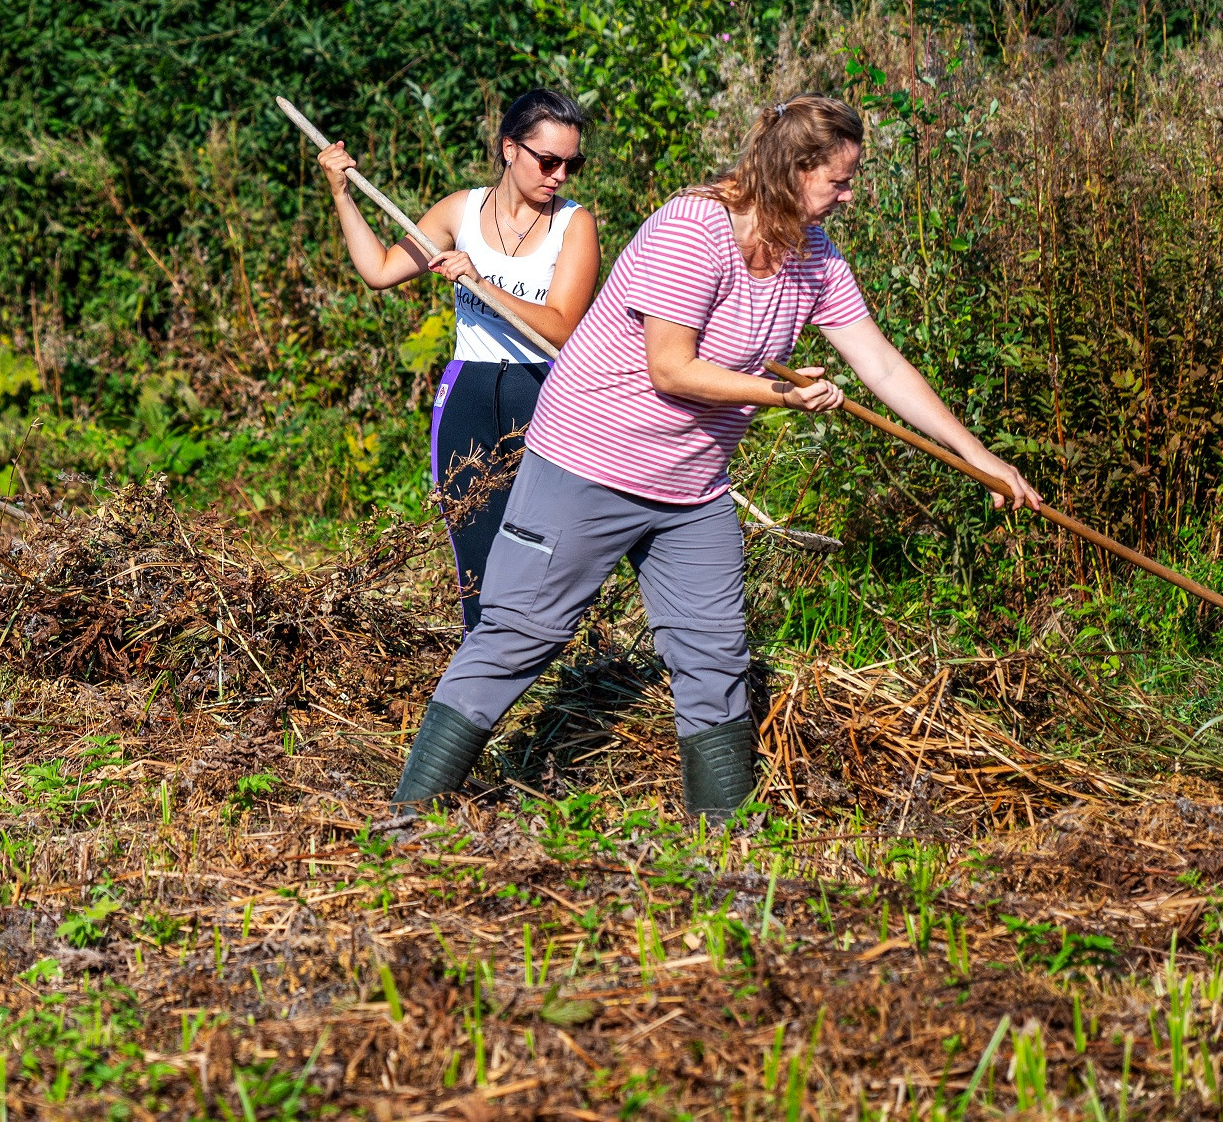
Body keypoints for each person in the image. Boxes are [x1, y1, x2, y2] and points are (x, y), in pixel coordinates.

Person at [390, 96, 1042, 819]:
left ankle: (723, 842)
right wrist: (779, 395)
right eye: (840, 180)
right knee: (519, 636)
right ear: (793, 173)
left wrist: (978, 456)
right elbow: (672, 369)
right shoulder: (691, 229)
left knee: (715, 657)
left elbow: (882, 366)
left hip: (691, 481)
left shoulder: (813, 259)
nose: (850, 196)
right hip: (588, 460)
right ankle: (409, 820)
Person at [315, 90, 602, 631]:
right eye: (549, 161)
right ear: (510, 149)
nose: (561, 175)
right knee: (477, 560)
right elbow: (378, 270)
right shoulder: (459, 211)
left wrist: (481, 282)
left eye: (573, 163)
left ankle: (538, 669)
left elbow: (563, 327)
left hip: (540, 397)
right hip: (466, 396)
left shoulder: (574, 225)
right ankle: (479, 698)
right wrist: (342, 195)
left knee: (541, 556)